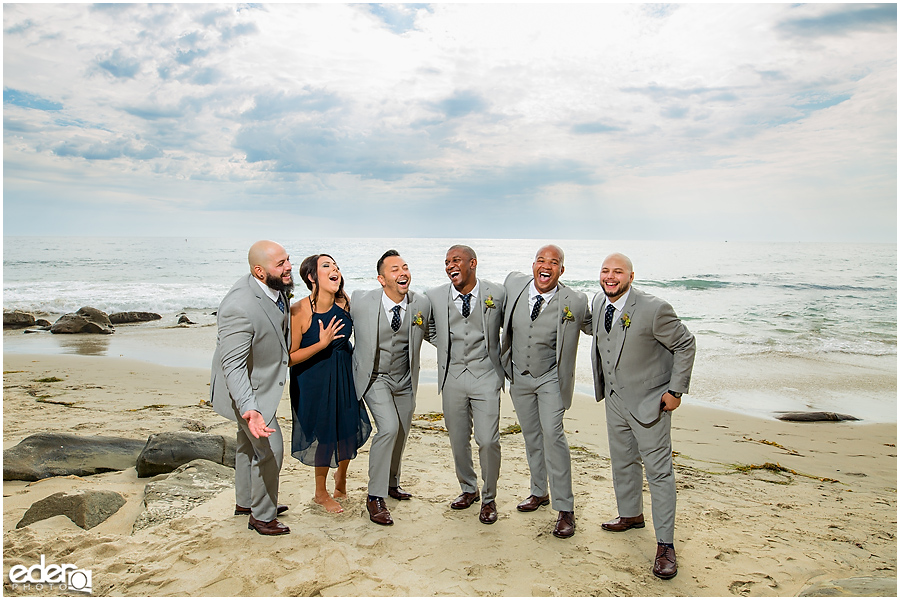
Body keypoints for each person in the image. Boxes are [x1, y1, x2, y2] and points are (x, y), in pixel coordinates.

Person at [590, 252, 696, 580]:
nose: (611, 277)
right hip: (615, 400)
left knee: (659, 473)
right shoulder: (598, 302)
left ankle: (665, 545)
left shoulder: (654, 309)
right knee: (622, 461)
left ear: (631, 277)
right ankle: (630, 515)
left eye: (618, 272)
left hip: (651, 404)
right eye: (605, 271)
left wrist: (675, 392)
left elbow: (686, 344)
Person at [500, 244, 590, 538]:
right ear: (533, 264)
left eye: (554, 262)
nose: (546, 266)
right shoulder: (514, 284)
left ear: (561, 270)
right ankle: (539, 491)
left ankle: (565, 509)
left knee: (553, 436)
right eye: (541, 260)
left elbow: (600, 326)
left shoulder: (574, 300)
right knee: (531, 436)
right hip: (519, 377)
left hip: (551, 378)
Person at [210, 240, 293, 536]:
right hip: (246, 391)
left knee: (247, 446)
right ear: (259, 271)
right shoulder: (239, 307)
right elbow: (232, 366)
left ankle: (247, 502)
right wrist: (250, 409)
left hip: (260, 381)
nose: (288, 268)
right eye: (280, 264)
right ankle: (262, 517)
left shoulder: (271, 285)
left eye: (287, 260)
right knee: (271, 449)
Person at [350, 250, 432, 526]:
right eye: (395, 269)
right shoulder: (362, 300)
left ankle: (391, 483)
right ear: (381, 279)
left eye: (405, 267)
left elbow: (435, 334)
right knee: (388, 428)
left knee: (402, 431)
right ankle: (375, 496)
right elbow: (332, 306)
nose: (403, 272)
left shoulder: (421, 303)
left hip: (405, 378)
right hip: (375, 377)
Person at [425, 245, 506, 525]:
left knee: (488, 440)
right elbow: (428, 327)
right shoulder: (434, 295)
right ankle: (468, 488)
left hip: (486, 375)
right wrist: (445, 346)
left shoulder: (497, 293)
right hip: (453, 376)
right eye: (446, 262)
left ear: (472, 263)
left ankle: (490, 497)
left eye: (455, 260)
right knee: (458, 439)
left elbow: (512, 326)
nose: (450, 266)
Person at [288, 254, 372, 514]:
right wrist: (321, 344)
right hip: (313, 378)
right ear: (312, 277)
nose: (335, 269)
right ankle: (320, 493)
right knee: (324, 434)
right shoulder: (299, 311)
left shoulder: (345, 303)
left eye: (336, 266)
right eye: (327, 266)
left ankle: (342, 478)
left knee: (347, 428)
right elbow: (289, 358)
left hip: (344, 373)